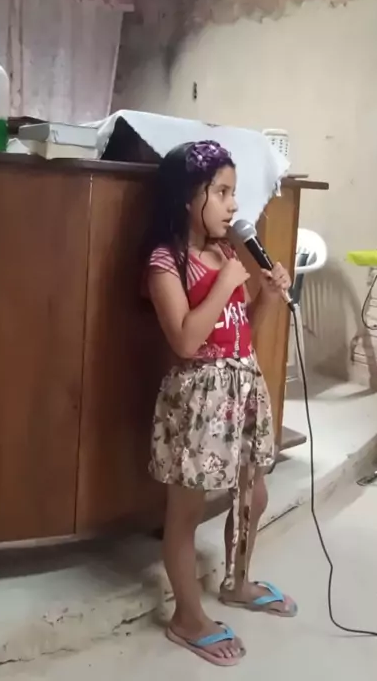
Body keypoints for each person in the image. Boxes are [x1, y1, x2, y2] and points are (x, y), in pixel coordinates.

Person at [144, 140, 297, 668]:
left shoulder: (227, 254)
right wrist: (224, 284)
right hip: (199, 401)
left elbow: (243, 330)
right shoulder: (166, 262)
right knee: (185, 513)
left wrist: (267, 296)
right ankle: (186, 616)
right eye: (223, 193)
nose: (234, 206)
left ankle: (239, 581)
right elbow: (187, 341)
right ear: (189, 196)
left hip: (242, 390)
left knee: (254, 494)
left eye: (235, 194)